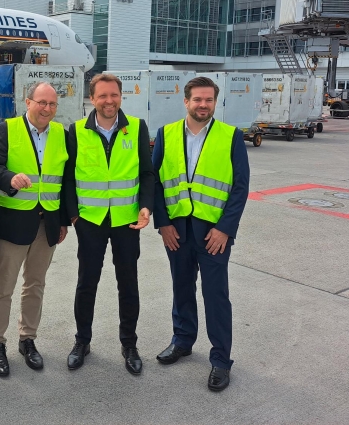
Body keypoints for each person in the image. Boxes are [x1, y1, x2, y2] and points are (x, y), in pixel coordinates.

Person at [152, 76, 249, 392]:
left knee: (215, 294)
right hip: (176, 229)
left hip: (213, 233)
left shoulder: (230, 136)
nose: (203, 105)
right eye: (197, 99)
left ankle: (221, 360)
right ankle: (182, 340)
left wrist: (225, 229)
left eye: (208, 100)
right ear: (186, 101)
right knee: (181, 286)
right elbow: (155, 182)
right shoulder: (166, 135)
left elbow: (239, 187)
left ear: (215, 102)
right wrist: (163, 223)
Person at [62, 73, 154, 375]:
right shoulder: (75, 131)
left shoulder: (137, 128)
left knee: (128, 283)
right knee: (86, 282)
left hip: (127, 221)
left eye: (113, 95)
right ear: (92, 99)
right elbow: (67, 178)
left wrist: (145, 206)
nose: (108, 101)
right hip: (90, 220)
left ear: (121, 97)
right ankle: (82, 341)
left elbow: (147, 173)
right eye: (102, 96)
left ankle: (129, 344)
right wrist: (73, 215)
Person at [0, 82, 69, 377]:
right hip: (14, 223)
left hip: (47, 224)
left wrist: (65, 220)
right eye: (41, 102)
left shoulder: (62, 133)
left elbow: (67, 179)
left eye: (52, 104)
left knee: (35, 285)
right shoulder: (6, 129)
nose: (47, 109)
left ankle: (27, 340)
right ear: (28, 101)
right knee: (3, 287)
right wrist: (9, 178)